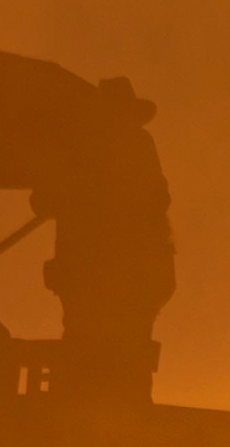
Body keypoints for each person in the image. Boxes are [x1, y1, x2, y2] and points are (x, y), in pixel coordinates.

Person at [36, 77, 174, 400]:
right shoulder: (86, 153)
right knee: (105, 346)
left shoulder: (130, 147)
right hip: (97, 272)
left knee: (114, 347)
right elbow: (44, 200)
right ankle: (113, 410)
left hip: (121, 271)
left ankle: (118, 412)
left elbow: (157, 198)